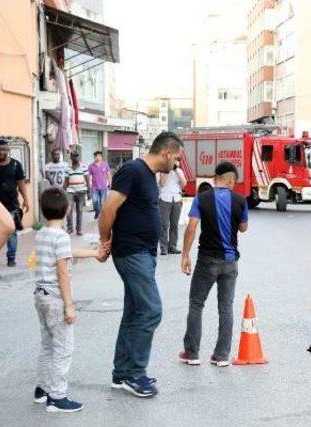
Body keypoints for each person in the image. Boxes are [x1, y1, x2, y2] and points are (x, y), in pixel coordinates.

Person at [98, 131, 182, 398]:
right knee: (150, 310)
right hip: (132, 253)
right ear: (167, 153)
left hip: (143, 253)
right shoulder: (133, 170)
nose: (176, 162)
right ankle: (135, 373)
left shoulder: (148, 175)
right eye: (176, 157)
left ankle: (122, 374)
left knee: (134, 313)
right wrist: (104, 241)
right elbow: (108, 208)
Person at [33, 187, 108, 413]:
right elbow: (62, 272)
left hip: (40, 296)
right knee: (63, 348)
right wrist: (69, 305)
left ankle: (42, 390)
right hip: (56, 298)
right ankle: (57, 397)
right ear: (67, 210)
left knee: (47, 345)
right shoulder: (62, 237)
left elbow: (66, 253)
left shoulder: (42, 233)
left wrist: (94, 253)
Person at [179, 161, 248, 367]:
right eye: (234, 182)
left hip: (207, 261)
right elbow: (244, 228)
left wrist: (185, 255)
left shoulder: (201, 198)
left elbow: (191, 227)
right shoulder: (240, 200)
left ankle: (192, 354)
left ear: (216, 178)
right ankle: (221, 356)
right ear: (230, 179)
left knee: (196, 304)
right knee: (226, 307)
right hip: (230, 262)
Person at [0, 138, 29, 267]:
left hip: (11, 205)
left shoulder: (16, 165)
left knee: (12, 233)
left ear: (8, 150)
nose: (0, 152)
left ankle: (11, 258)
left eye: (3, 149)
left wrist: (25, 199)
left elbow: (21, 183)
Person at [157, 160, 187, 255]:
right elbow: (162, 184)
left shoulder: (179, 171)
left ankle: (172, 246)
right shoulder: (161, 170)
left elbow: (183, 184)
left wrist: (177, 170)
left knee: (174, 225)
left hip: (176, 199)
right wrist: (167, 171)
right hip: (164, 199)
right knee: (164, 225)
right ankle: (163, 247)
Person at [64, 151, 90, 236]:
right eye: (73, 156)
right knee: (69, 210)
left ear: (79, 157)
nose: (75, 157)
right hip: (70, 191)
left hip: (81, 191)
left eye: (77, 156)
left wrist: (89, 192)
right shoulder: (68, 168)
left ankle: (79, 229)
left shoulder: (83, 167)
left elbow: (87, 180)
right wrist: (63, 191)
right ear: (70, 157)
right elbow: (66, 181)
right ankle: (70, 228)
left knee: (80, 210)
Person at [88, 151, 111, 219]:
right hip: (94, 187)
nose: (98, 157)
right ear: (94, 157)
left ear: (101, 157)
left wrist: (110, 184)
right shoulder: (91, 166)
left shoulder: (105, 165)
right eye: (96, 156)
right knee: (95, 202)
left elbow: (109, 175)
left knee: (102, 202)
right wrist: (88, 185)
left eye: (99, 156)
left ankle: (101, 215)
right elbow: (88, 176)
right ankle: (97, 212)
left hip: (104, 187)